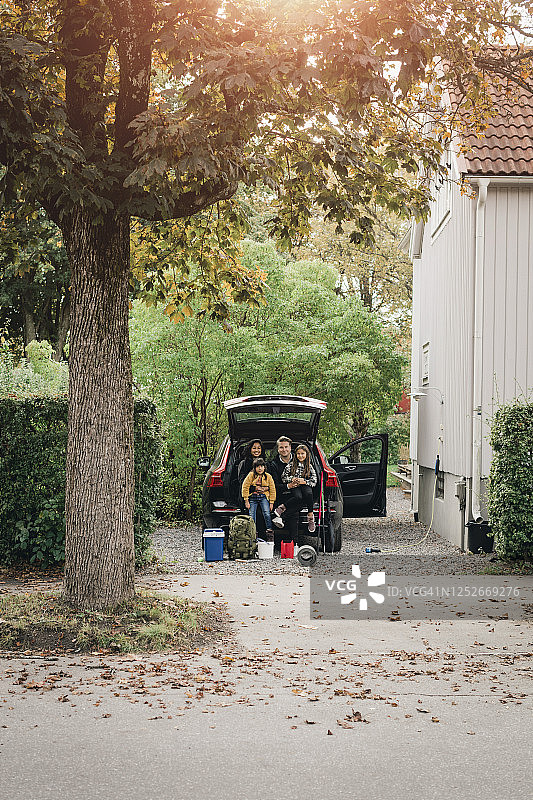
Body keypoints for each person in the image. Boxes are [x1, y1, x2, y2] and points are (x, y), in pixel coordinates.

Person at [272, 443, 317, 532]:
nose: (300, 456)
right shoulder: (291, 465)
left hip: (305, 484)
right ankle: (282, 507)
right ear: (295, 455)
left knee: (309, 493)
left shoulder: (309, 466)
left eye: (302, 454)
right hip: (295, 485)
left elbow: (314, 480)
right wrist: (292, 479)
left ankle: (310, 517)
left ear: (306, 455)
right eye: (298, 454)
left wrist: (305, 481)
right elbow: (284, 477)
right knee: (298, 497)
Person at [241, 458, 276, 541]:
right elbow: (245, 487)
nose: (260, 468)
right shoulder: (251, 475)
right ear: (254, 468)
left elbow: (272, 489)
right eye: (257, 467)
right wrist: (246, 500)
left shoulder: (268, 476)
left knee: (267, 513)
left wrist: (271, 502)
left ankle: (269, 532)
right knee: (251, 515)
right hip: (253, 497)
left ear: (264, 467)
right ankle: (252, 534)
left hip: (263, 497)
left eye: (261, 466)